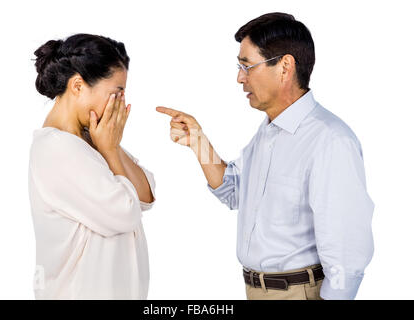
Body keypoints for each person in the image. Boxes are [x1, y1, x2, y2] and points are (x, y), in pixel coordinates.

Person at [156, 12, 374, 300]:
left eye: (247, 66)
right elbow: (234, 191)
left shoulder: (330, 140)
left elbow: (347, 251)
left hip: (299, 294)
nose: (239, 78)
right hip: (258, 291)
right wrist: (198, 141)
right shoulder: (268, 134)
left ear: (285, 67)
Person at [28, 33, 156, 299]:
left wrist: (111, 147)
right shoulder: (57, 148)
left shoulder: (90, 139)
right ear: (77, 86)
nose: (120, 103)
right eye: (116, 92)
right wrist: (110, 149)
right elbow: (126, 211)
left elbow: (145, 194)